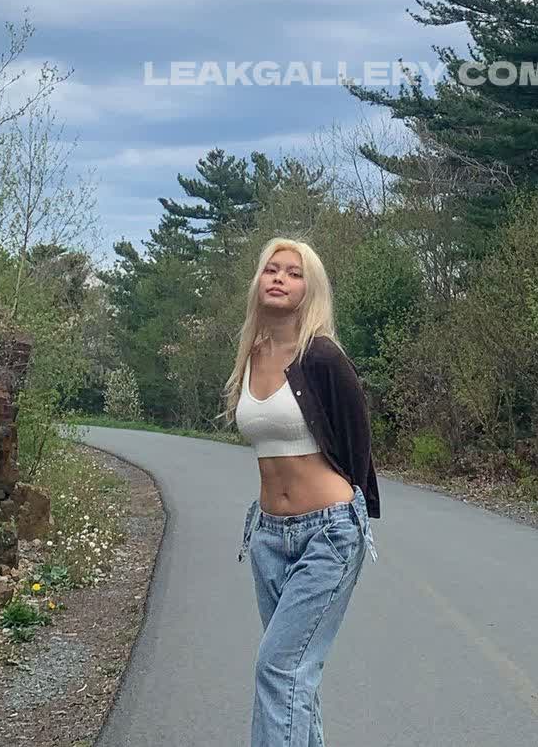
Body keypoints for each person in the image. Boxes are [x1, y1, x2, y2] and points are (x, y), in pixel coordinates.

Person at [218, 236, 380, 747]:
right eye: (272, 269)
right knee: (294, 677)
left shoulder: (322, 358)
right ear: (258, 281)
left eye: (294, 273)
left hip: (327, 534)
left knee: (279, 668)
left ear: (310, 290)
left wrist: (353, 516)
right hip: (267, 536)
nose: (280, 278)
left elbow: (358, 441)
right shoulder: (251, 354)